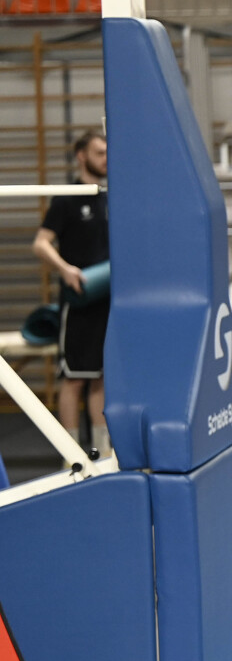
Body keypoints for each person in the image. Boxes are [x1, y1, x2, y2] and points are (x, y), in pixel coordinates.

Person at [32, 130, 109, 458]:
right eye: (99, 153)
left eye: (107, 153)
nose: (105, 159)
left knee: (100, 378)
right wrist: (65, 269)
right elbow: (40, 243)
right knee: (74, 379)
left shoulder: (110, 197)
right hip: (79, 302)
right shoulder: (66, 198)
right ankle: (70, 455)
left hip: (107, 301)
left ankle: (103, 453)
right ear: (82, 156)